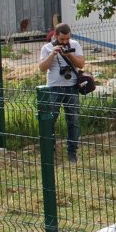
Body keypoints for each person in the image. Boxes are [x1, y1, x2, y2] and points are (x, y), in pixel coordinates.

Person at [37, 23, 85, 162]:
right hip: (54, 88)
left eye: (67, 39)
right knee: (50, 121)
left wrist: (70, 55)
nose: (65, 42)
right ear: (55, 36)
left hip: (72, 88)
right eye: (62, 39)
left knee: (73, 121)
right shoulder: (47, 48)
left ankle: (72, 153)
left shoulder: (74, 44)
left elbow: (81, 64)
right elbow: (42, 67)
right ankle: (50, 152)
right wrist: (53, 54)